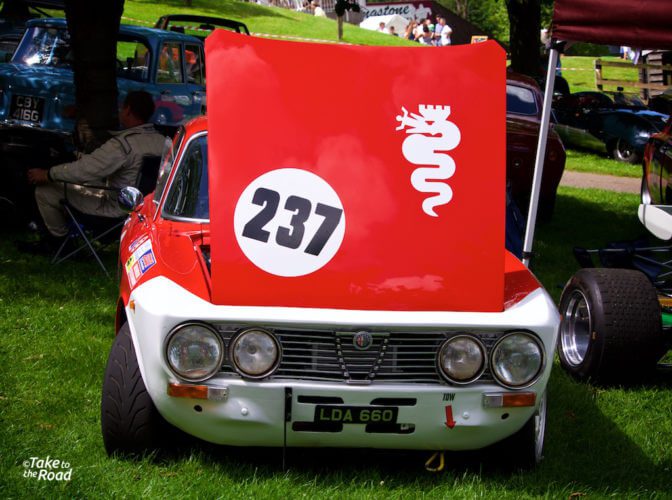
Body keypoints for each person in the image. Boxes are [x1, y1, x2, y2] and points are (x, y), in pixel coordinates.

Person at [19, 91, 167, 254]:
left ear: (128, 110)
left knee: (46, 190)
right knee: (85, 184)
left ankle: (59, 244)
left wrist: (48, 174)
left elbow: (84, 171)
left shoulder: (124, 145)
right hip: (148, 211)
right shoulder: (164, 143)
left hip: (115, 211)